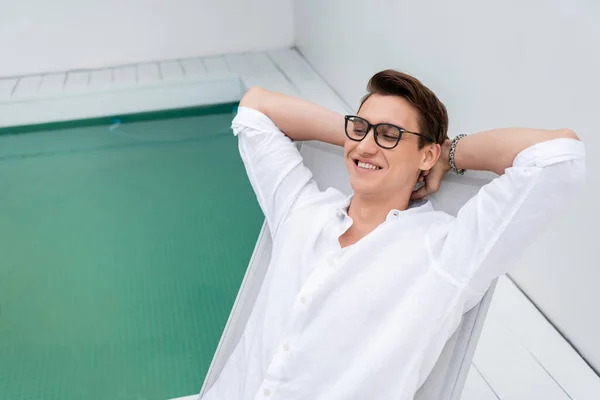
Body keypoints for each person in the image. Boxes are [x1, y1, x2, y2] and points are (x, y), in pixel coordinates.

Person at [201, 70, 586, 400]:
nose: (367, 144)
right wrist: (362, 140)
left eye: (390, 134)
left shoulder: (445, 253)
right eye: (361, 128)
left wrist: (451, 153)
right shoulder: (300, 209)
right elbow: (255, 109)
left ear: (426, 155)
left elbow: (557, 154)